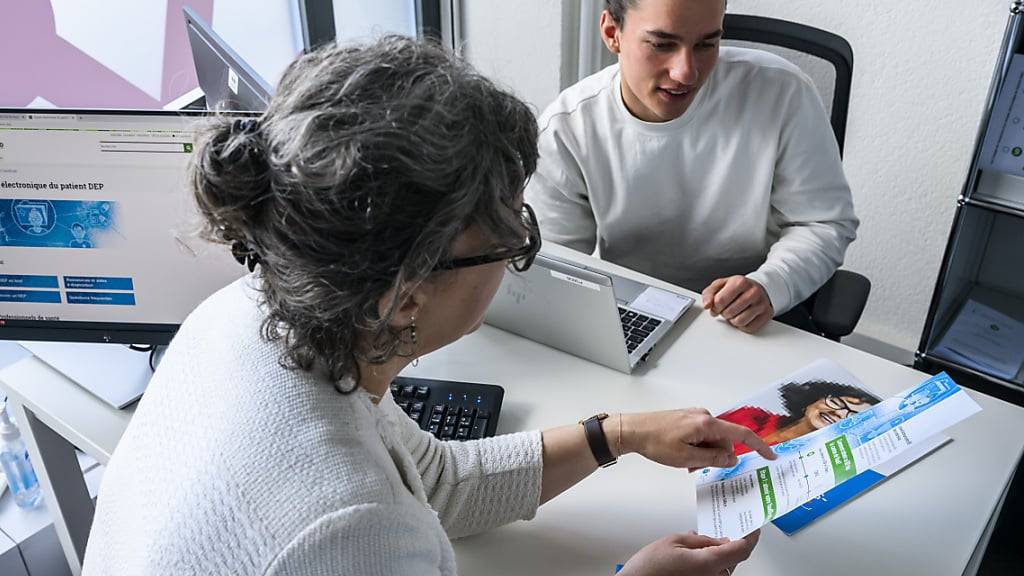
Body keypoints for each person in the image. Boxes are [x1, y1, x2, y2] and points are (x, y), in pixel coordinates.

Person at [81, 36, 775, 576]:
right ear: (407, 293)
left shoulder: (254, 314)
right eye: (511, 232)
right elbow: (383, 512)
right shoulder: (352, 528)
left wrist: (616, 434)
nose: (517, 250)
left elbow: (437, 483)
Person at [526, 0, 859, 334]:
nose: (686, 72)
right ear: (613, 33)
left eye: (706, 44)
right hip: (632, 310)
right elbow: (555, 266)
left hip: (758, 315)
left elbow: (823, 222)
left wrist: (772, 284)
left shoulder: (783, 92)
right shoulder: (567, 129)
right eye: (661, 44)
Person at [719, 380, 880, 455]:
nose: (840, 413)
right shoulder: (752, 416)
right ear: (813, 399)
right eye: (838, 402)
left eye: (852, 417)